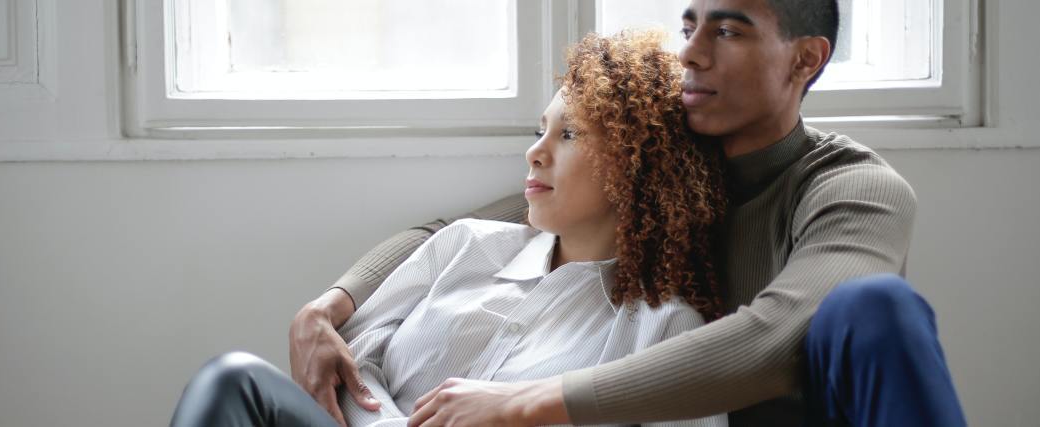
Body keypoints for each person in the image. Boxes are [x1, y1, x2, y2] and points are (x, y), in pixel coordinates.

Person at [291, 1, 969, 426]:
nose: (693, 52)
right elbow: (467, 231)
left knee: (874, 305)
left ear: (805, 59)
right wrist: (327, 307)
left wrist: (535, 401)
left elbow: (778, 334)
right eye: (689, 24)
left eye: (727, 29)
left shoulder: (851, 187)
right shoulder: (659, 167)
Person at [171, 30, 730, 427]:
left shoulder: (663, 329)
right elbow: (354, 359)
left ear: (636, 166)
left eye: (570, 135)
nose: (535, 153)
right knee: (235, 378)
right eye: (542, 130)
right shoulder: (464, 246)